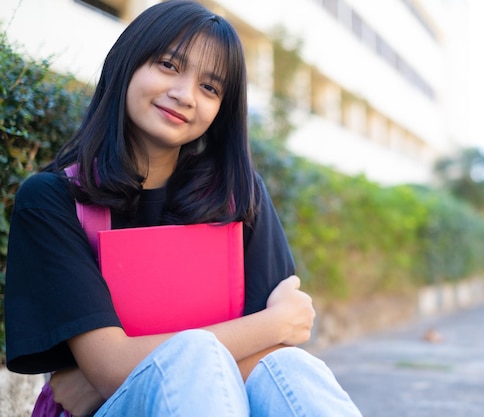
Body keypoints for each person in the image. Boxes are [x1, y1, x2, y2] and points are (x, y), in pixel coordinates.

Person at [4, 1, 363, 416]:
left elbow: (274, 357)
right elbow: (110, 369)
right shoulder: (54, 201)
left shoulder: (236, 199)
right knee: (194, 356)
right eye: (169, 65)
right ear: (129, 62)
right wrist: (272, 324)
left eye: (210, 88)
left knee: (291, 367)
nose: (184, 95)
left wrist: (116, 366)